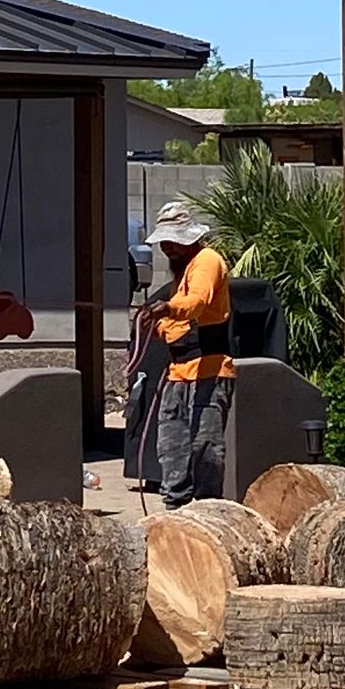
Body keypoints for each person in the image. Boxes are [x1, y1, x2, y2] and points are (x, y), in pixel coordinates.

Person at [123, 198, 235, 504]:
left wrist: (168, 307)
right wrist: (153, 327)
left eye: (174, 242)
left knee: (205, 449)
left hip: (209, 372)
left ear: (191, 238)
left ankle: (209, 515)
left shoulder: (207, 261)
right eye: (165, 243)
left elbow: (197, 303)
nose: (168, 248)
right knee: (171, 450)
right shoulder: (181, 275)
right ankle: (175, 515)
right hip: (177, 374)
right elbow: (178, 327)